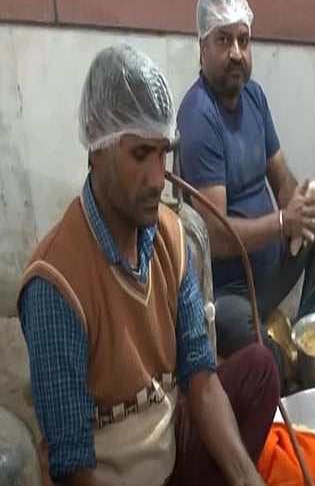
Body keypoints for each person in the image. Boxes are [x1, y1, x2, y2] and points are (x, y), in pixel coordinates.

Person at [17, 44, 278, 486]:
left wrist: (247, 478)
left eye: (163, 152)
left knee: (259, 370)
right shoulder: (56, 284)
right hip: (108, 476)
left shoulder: (171, 237)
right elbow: (73, 468)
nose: (158, 177)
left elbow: (201, 377)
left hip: (169, 453)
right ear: (96, 149)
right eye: (140, 155)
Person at [177, 0, 315, 388]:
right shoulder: (200, 118)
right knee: (266, 363)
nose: (236, 52)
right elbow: (214, 236)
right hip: (229, 296)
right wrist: (282, 223)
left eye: (243, 40)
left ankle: (308, 339)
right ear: (203, 48)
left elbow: (281, 177)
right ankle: (287, 364)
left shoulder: (254, 98)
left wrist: (299, 203)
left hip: (270, 273)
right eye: (224, 40)